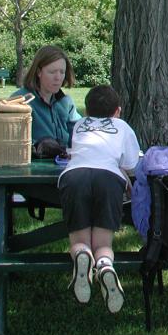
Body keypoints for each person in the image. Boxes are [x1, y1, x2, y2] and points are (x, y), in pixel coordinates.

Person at [59, 85, 141, 313]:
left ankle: (82, 255)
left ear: (86, 111)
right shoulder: (122, 126)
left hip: (74, 177)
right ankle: (105, 265)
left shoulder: (79, 125)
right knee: (103, 244)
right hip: (108, 178)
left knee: (79, 241)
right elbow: (132, 165)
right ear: (118, 111)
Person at [11, 45, 82, 206]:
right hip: (32, 178)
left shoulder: (65, 102)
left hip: (65, 173)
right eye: (52, 72)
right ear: (38, 71)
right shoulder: (19, 101)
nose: (58, 78)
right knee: (86, 196)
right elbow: (12, 144)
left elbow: (80, 133)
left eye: (62, 72)